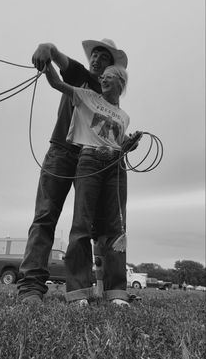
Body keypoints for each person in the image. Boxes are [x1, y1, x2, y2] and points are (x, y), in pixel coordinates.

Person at [17, 39, 139, 304]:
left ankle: (103, 290)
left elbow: (109, 129)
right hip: (63, 151)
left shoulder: (108, 96)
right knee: (46, 214)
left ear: (113, 69)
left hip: (95, 159)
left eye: (103, 58)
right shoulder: (79, 75)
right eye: (94, 55)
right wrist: (46, 47)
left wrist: (125, 143)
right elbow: (58, 58)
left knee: (98, 225)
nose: (96, 61)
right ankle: (31, 286)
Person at [44, 62, 131, 306]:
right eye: (102, 76)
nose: (103, 79)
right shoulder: (87, 96)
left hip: (116, 167)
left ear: (120, 83)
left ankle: (116, 293)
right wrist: (46, 65)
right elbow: (57, 84)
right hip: (90, 161)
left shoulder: (125, 116)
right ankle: (78, 292)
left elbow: (115, 141)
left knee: (116, 228)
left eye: (109, 77)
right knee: (81, 223)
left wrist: (127, 146)